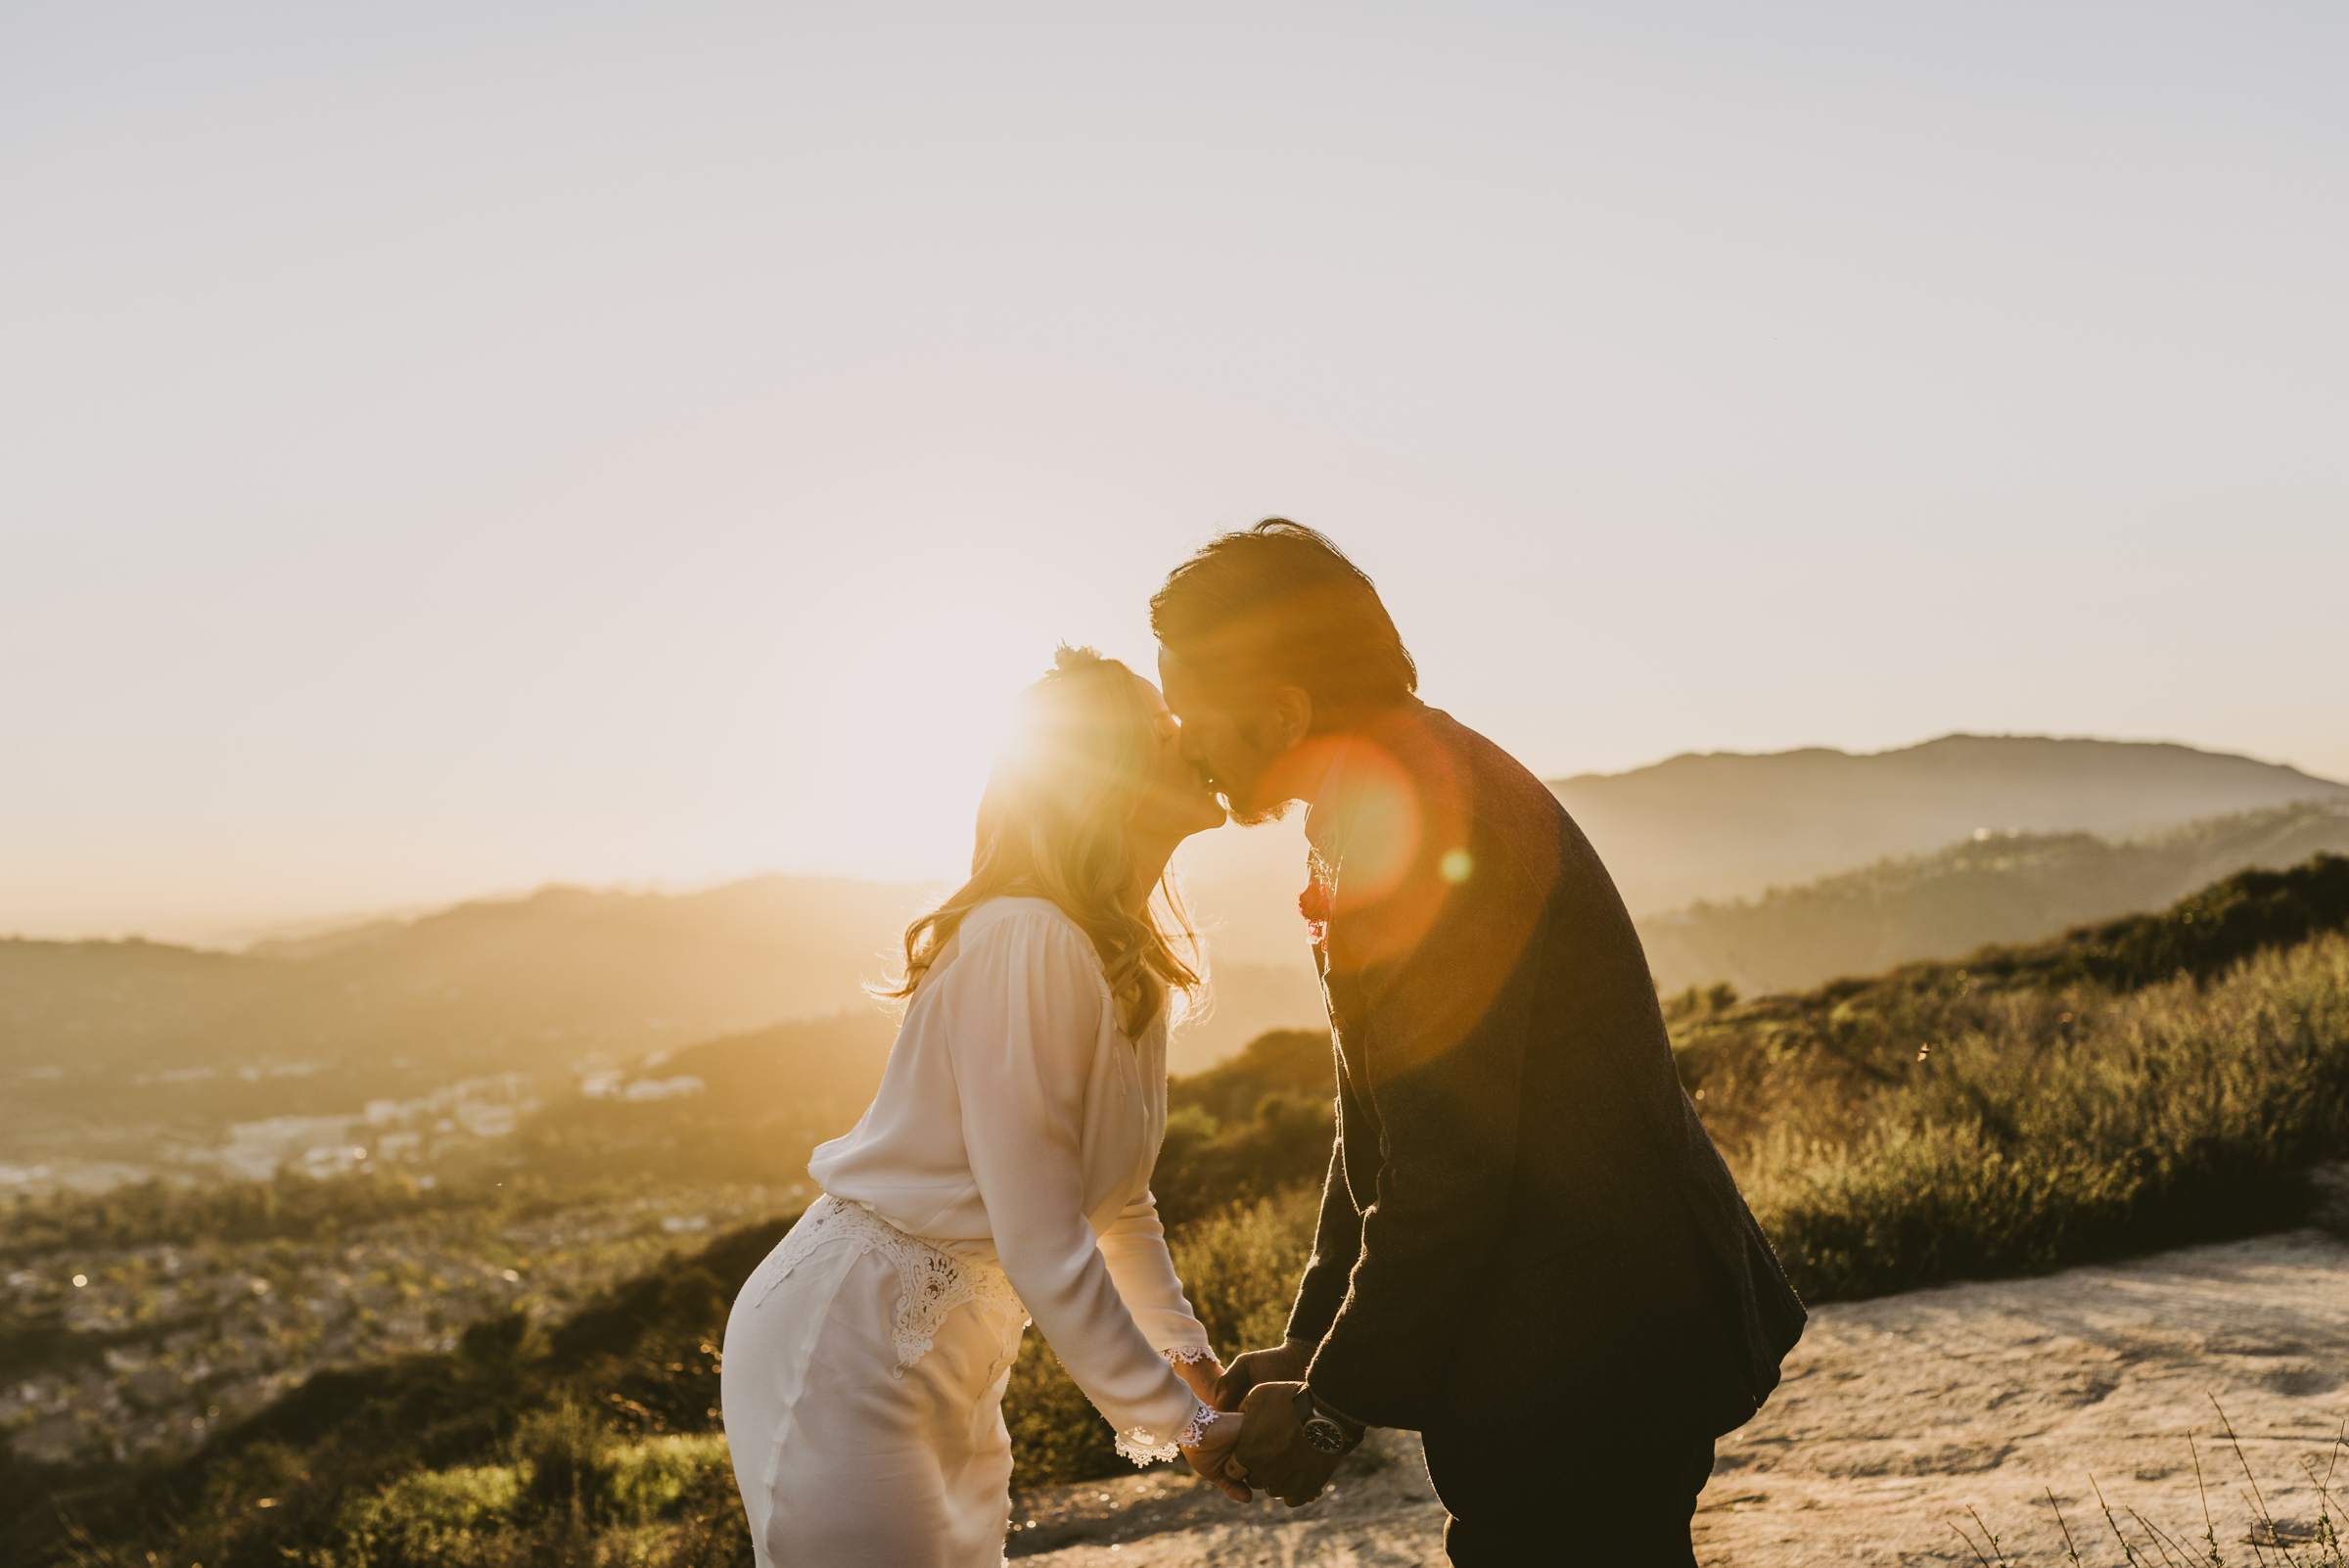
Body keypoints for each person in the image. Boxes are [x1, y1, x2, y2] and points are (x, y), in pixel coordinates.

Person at [1151, 521, 1808, 1566]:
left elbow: (1453, 1163)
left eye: (1191, 714)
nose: (1178, 741)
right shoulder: (1379, 793)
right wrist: (1313, 1342)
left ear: (1282, 713)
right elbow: (1375, 1121)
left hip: (1594, 1342)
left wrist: (1330, 1410)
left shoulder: (1426, 825)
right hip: (1558, 1340)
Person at [719, 647, 1250, 1568]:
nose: (1193, 740)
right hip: (847, 1342)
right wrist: (1185, 1426)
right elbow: (1041, 1237)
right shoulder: (1028, 938)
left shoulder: (1123, 960)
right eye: (1163, 732)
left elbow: (1119, 1205)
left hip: (959, 1350)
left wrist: (1187, 1360)